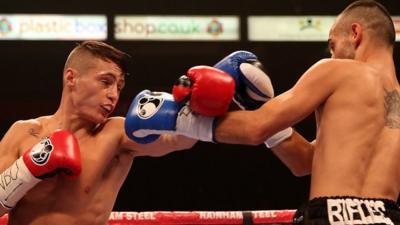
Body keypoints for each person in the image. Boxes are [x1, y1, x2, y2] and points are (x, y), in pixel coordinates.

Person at [136, 0, 400, 224]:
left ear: (355, 33)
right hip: (389, 216)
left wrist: (178, 118)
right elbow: (304, 162)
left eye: (333, 45)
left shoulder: (337, 70)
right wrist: (256, 107)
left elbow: (255, 129)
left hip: (331, 214)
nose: (332, 54)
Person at [0, 41, 235, 225]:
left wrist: (198, 105)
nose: (113, 94)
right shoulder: (23, 132)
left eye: (119, 87)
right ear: (71, 78)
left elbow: (177, 140)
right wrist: (28, 169)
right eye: (106, 82)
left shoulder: (116, 134)